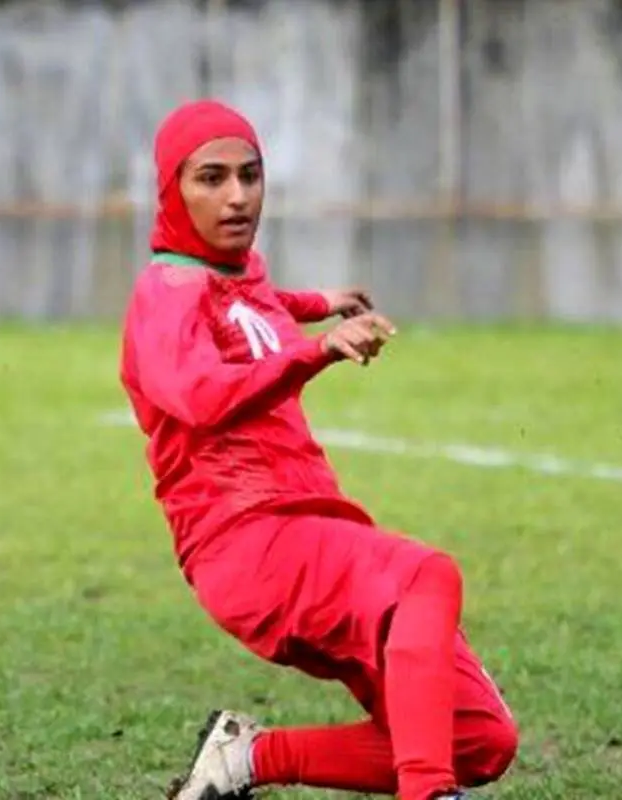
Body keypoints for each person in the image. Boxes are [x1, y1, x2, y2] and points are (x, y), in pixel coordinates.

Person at [119, 99, 518, 800]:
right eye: (210, 179)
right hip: (245, 540)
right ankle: (428, 795)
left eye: (250, 175)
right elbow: (202, 396)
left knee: (476, 738)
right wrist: (316, 353)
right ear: (170, 190)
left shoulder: (230, 272)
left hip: (306, 522)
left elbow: (254, 299)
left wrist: (315, 301)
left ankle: (247, 760)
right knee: (425, 577)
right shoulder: (168, 291)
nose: (237, 196)